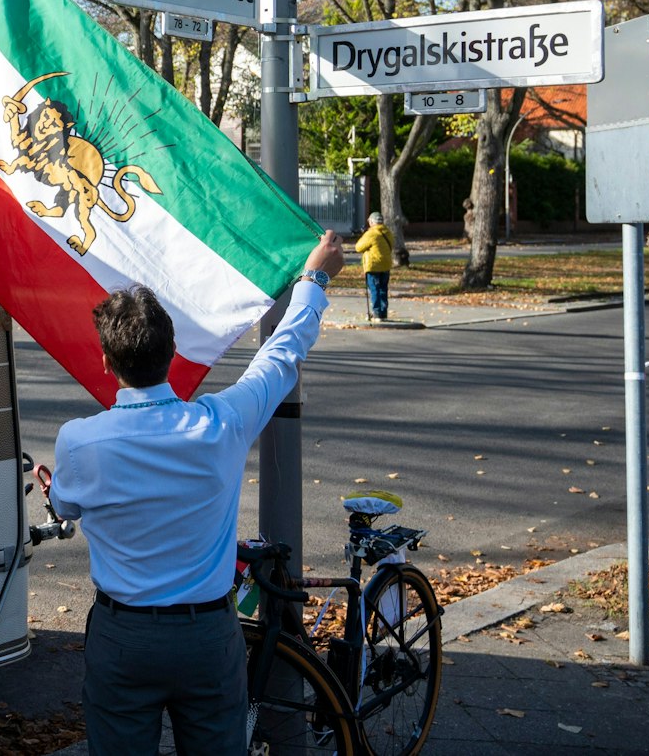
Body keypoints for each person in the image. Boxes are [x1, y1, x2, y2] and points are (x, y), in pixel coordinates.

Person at [40, 231, 345, 756]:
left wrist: (57, 493)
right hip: (206, 634)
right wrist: (313, 279)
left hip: (123, 636)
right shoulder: (220, 425)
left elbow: (64, 507)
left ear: (107, 362)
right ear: (173, 352)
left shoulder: (80, 442)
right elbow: (280, 355)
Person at [355, 211, 394, 322]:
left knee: (374, 289)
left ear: (372, 222)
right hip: (386, 265)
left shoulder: (371, 234)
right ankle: (383, 313)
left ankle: (376, 313)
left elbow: (358, 247)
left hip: (373, 266)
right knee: (383, 289)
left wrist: (364, 234)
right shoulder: (388, 232)